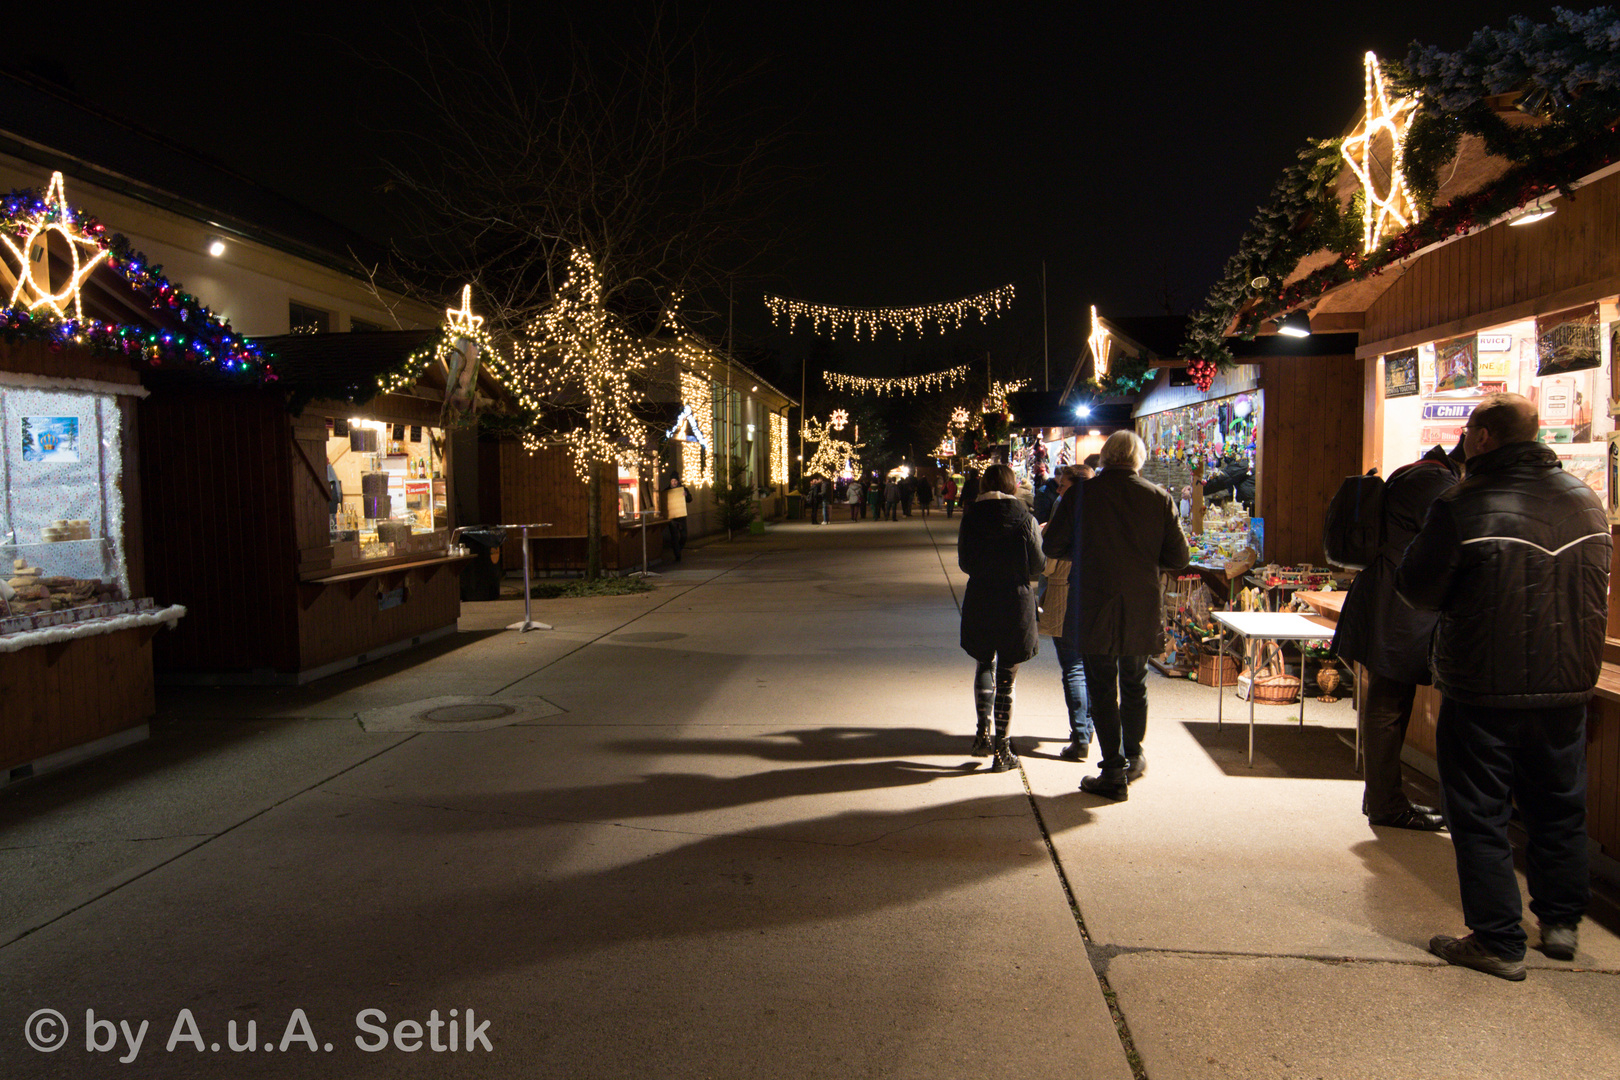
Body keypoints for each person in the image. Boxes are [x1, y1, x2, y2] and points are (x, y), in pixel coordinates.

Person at [1397, 393, 1611, 981]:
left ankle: (1497, 939)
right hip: (1566, 685)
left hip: (1483, 686)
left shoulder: (1463, 503)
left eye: (1470, 431)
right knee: (1560, 806)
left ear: (1485, 438)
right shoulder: (1586, 500)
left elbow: (1416, 588)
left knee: (1479, 813)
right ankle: (1562, 924)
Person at [1044, 431, 1189, 800]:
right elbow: (1178, 558)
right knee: (1135, 681)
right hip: (1140, 602)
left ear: (1106, 457)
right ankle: (1134, 755)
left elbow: (1053, 545)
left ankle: (1112, 769)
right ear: (1138, 459)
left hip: (1093, 600)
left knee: (1102, 685)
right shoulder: (1158, 497)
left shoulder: (1081, 494)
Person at [1331, 443, 1461, 830]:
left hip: (1390, 597)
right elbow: (1448, 542)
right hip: (1399, 603)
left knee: (1388, 700)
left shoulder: (1424, 471)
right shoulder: (1437, 480)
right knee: (1389, 701)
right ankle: (1386, 802)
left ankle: (1382, 799)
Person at [957, 463, 1045, 772]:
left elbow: (965, 563)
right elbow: (1037, 566)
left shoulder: (970, 519)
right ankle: (1002, 750)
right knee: (1007, 676)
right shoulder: (1026, 519)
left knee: (984, 663)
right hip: (1015, 601)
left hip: (981, 597)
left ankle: (982, 733)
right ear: (1012, 486)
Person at [1039, 463, 1095, 760]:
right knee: (1095, 668)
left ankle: (1081, 735)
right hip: (1100, 593)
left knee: (1074, 666)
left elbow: (1050, 554)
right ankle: (1091, 729)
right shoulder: (1106, 507)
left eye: (1062, 486)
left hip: (1068, 590)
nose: (1057, 490)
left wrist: (1045, 536)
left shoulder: (1067, 508)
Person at [663, 477, 690, 562]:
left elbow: (690, 499)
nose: (674, 482)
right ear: (670, 481)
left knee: (684, 536)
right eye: (672, 481)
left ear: (678, 481)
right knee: (674, 537)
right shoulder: (667, 490)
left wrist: (686, 495)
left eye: (675, 481)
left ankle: (678, 550)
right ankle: (677, 555)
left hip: (681, 517)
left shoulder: (682, 489)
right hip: (672, 518)